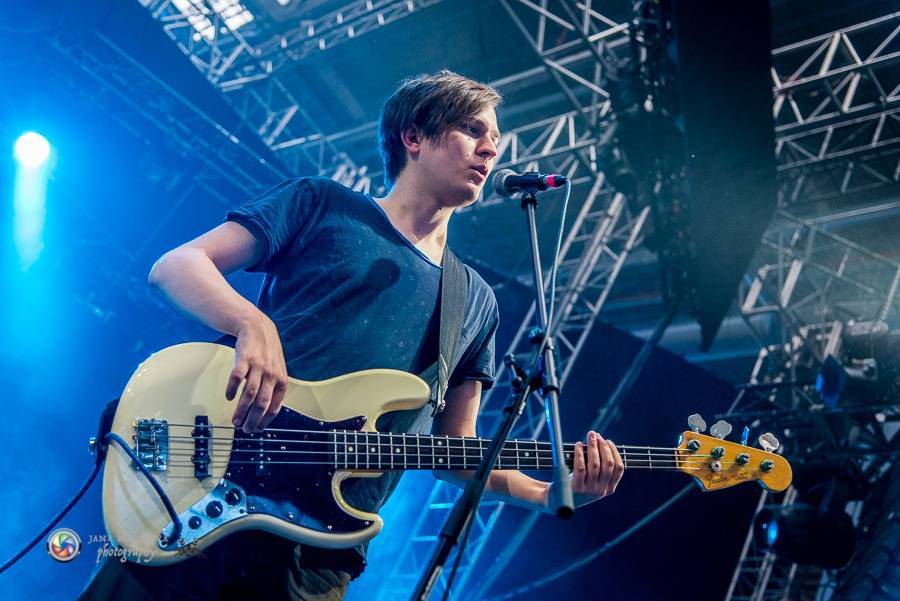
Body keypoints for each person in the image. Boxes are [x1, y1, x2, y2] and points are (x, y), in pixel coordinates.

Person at [79, 70, 624, 600]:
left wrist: (551, 494)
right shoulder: (323, 204)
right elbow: (178, 264)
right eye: (473, 130)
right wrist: (252, 322)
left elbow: (454, 452)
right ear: (414, 136)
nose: (490, 150)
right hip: (202, 491)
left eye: (496, 140)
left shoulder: (475, 301)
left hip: (314, 555)